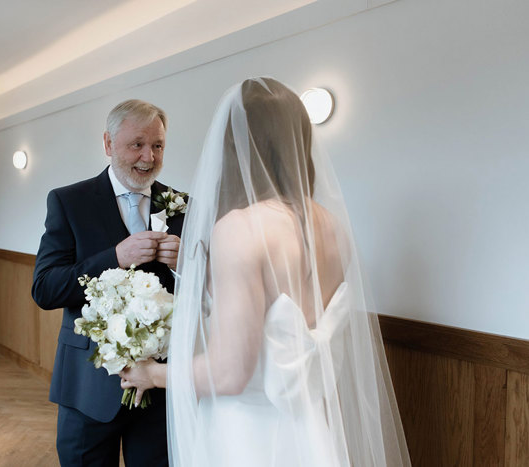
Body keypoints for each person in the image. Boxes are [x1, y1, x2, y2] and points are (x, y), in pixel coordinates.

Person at [120, 78, 411, 466]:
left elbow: (230, 373)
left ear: (234, 146)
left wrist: (151, 375)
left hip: (246, 434)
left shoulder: (240, 229)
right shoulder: (330, 225)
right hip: (309, 431)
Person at [32, 99, 184, 466]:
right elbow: (46, 288)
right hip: (89, 386)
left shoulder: (179, 203)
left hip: (160, 390)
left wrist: (187, 265)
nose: (148, 156)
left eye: (158, 145)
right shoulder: (69, 201)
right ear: (107, 143)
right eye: (137, 144)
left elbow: (211, 294)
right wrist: (114, 258)